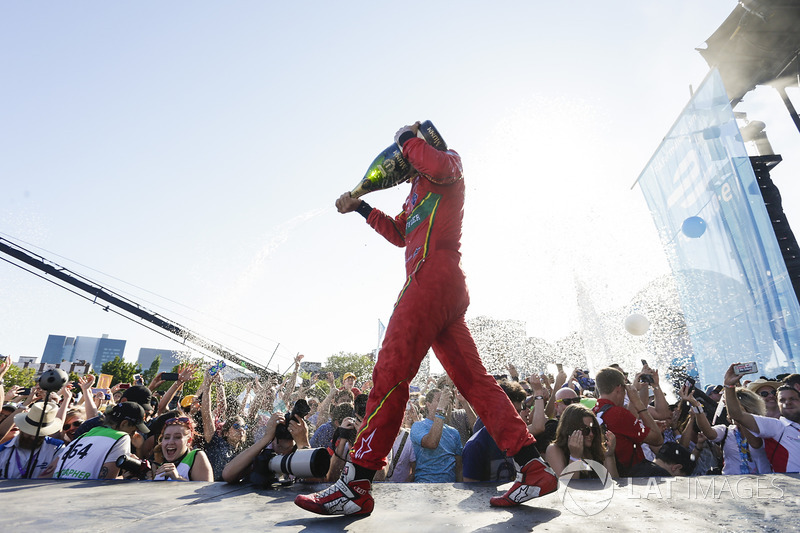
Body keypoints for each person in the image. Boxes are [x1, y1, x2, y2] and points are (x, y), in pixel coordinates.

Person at [295, 121, 556, 516]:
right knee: (475, 382)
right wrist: (362, 207)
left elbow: (435, 164)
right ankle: (533, 467)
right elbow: (400, 234)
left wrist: (405, 135)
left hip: (430, 280)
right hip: (442, 289)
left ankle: (356, 483)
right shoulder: (417, 191)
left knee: (389, 374)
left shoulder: (448, 166)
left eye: (411, 149)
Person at [723, 364, 800, 473]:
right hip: (786, 487)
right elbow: (737, 415)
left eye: (793, 398)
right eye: (782, 400)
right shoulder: (776, 426)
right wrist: (729, 385)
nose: (787, 402)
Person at [593, 366, 663, 476]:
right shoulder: (618, 414)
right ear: (619, 389)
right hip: (632, 475)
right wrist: (637, 401)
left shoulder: (594, 411)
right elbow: (658, 439)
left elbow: (628, 425)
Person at [54, 402, 149, 480]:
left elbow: (45, 475)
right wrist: (125, 478)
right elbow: (105, 483)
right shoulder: (122, 437)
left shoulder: (84, 435)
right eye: (133, 430)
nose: (134, 434)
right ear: (124, 423)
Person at [544, 403, 618, 479]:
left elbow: (613, 484)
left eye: (594, 429)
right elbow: (567, 487)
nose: (591, 434)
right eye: (586, 430)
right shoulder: (554, 449)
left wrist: (609, 456)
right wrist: (574, 457)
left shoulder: (596, 449)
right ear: (571, 430)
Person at [409, 388, 463, 482]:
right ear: (428, 405)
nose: (445, 404)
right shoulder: (418, 426)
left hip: (449, 490)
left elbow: (459, 468)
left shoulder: (454, 432)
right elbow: (432, 443)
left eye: (446, 401)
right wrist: (441, 408)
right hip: (424, 487)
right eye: (440, 400)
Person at [0, 401, 64, 479]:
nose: (32, 436)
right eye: (29, 431)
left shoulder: (57, 448)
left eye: (39, 434)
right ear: (22, 427)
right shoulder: (3, 449)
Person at [152, 416, 213, 481]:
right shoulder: (160, 464)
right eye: (167, 437)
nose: (170, 442)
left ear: (189, 441)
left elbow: (207, 490)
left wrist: (178, 478)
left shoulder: (197, 456)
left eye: (177, 437)